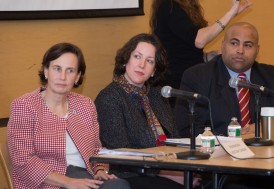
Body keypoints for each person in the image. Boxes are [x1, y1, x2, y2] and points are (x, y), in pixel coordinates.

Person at [7, 42, 130, 189]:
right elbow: (23, 160)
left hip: (87, 177)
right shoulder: (25, 106)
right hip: (48, 183)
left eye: (70, 71)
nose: (63, 76)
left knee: (119, 185)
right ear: (46, 71)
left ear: (78, 77)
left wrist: (101, 170)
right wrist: (68, 182)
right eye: (57, 69)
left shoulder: (85, 105)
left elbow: (97, 149)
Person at [94, 33, 205, 189]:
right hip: (133, 175)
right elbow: (120, 154)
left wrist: (184, 169)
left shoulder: (157, 94)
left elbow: (175, 139)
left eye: (149, 61)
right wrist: (167, 173)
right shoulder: (109, 97)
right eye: (137, 57)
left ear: (154, 70)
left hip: (170, 167)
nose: (142, 65)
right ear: (126, 60)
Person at [175, 22, 274, 138]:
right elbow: (187, 127)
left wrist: (261, 126)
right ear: (223, 45)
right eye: (234, 43)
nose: (240, 50)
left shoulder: (272, 76)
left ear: (257, 50)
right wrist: (234, 135)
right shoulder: (198, 76)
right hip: (218, 156)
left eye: (248, 45)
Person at [150, 0, 252, 108]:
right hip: (176, 85)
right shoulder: (169, 6)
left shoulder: (188, 6)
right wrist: (230, 13)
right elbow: (199, 41)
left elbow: (189, 51)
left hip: (190, 80)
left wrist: (217, 55)